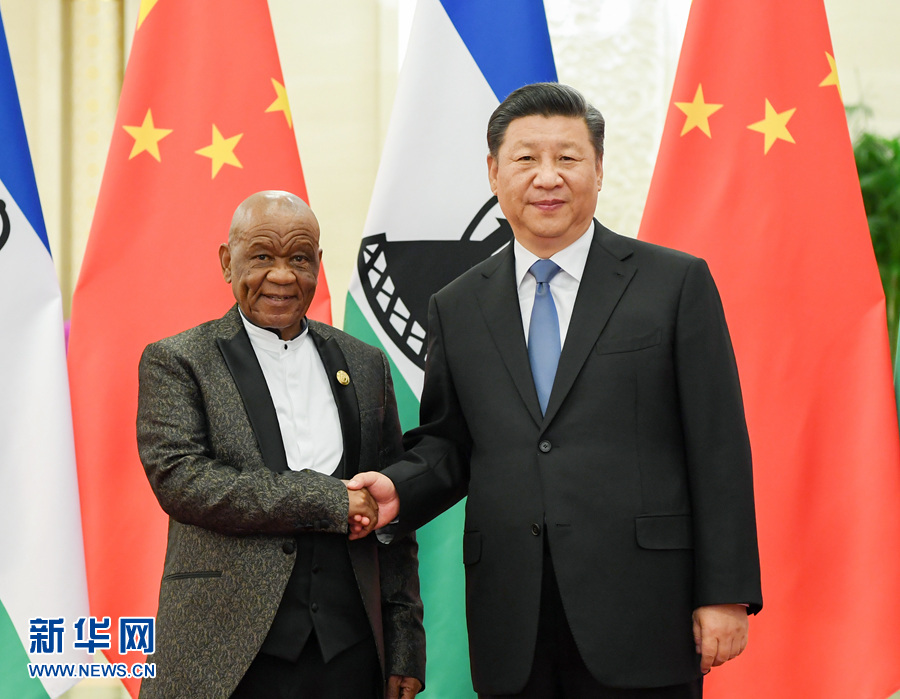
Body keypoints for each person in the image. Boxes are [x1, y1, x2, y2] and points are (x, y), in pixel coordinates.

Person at [348, 83, 762, 698]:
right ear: (494, 173)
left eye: (568, 158)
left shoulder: (673, 284)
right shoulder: (457, 305)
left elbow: (718, 446)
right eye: (526, 158)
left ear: (599, 168)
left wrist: (725, 594)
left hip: (645, 609)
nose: (548, 177)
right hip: (513, 615)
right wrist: (397, 489)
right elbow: (451, 444)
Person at [137, 191, 425, 699]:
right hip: (225, 654)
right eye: (262, 256)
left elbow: (391, 515)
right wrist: (329, 499)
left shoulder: (365, 363)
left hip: (350, 652)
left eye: (299, 258)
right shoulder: (178, 360)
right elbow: (184, 482)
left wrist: (404, 646)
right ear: (227, 262)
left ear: (318, 263)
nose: (282, 275)